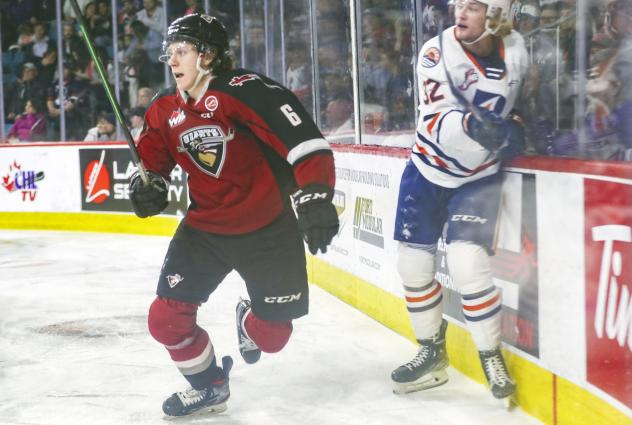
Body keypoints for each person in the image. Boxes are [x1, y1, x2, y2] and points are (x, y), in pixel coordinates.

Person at [127, 14, 339, 418]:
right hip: (205, 228)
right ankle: (210, 386)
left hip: (269, 227)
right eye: (170, 53)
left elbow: (306, 143)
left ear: (207, 55)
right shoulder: (164, 108)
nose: (173, 61)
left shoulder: (248, 91)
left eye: (182, 51)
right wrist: (146, 187)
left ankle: (249, 320)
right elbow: (152, 165)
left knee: (272, 337)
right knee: (166, 320)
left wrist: (315, 195)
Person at [391, 0, 527, 402]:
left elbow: (518, 104)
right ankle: (431, 352)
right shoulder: (437, 53)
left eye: (473, 6)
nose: (459, 14)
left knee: (469, 265)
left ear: (499, 15)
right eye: (458, 5)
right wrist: (477, 126)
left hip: (478, 177)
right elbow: (436, 123)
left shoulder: (517, 49)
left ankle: (490, 353)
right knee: (413, 264)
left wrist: (520, 124)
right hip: (428, 169)